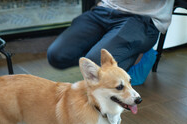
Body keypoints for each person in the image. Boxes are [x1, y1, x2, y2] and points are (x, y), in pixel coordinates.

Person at [47, 0, 175, 85]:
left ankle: (138, 54)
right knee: (57, 56)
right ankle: (111, 45)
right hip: (105, 9)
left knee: (96, 66)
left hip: (142, 18)